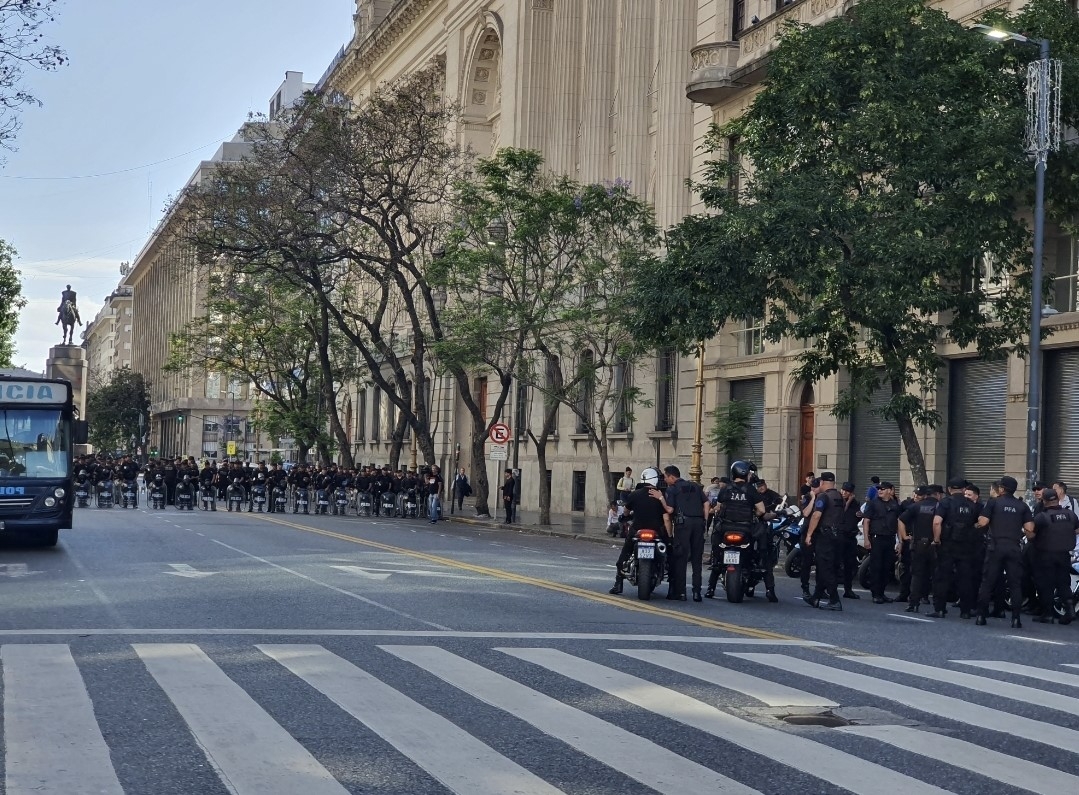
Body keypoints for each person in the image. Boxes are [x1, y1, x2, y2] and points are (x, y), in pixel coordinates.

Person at [706, 460, 773, 602]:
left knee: (717, 557)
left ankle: (710, 588)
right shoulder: (751, 490)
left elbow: (718, 507)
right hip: (746, 529)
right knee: (762, 552)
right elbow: (761, 510)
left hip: (726, 528)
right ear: (746, 474)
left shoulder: (726, 489)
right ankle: (770, 589)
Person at [975, 475, 1034, 629]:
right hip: (1014, 547)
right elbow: (1030, 529)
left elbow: (983, 522)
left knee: (988, 582)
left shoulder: (994, 503)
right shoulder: (1022, 506)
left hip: (995, 547)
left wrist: (977, 524)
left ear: (1001, 489)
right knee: (1015, 584)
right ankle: (1016, 619)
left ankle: (981, 616)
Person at [609, 468, 671, 595]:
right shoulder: (661, 496)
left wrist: (626, 516)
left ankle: (618, 583)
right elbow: (666, 518)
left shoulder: (634, 494)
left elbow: (626, 511)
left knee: (625, 554)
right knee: (669, 554)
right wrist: (670, 536)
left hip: (637, 529)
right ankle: (673, 585)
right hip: (657, 531)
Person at [1028, 488, 1079, 624]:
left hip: (1045, 555)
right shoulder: (1070, 514)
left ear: (1044, 501)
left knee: (1046, 584)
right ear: (1057, 498)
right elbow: (1077, 529)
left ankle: (1048, 614)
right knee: (1063, 583)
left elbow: (1031, 534)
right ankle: (1069, 610)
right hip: (1064, 555)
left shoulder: (1042, 517)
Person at [930, 477, 979, 619]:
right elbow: (979, 524)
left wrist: (937, 539)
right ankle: (965, 611)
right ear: (964, 489)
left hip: (947, 544)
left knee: (942, 577)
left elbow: (937, 522)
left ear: (949, 489)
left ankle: (940, 609)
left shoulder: (945, 503)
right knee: (965, 578)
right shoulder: (971, 504)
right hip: (966, 545)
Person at [660, 465, 710, 602]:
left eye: (665, 477)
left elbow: (670, 510)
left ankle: (681, 593)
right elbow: (706, 504)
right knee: (696, 559)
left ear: (672, 477)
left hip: (683, 525)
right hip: (699, 523)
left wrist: (661, 499)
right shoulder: (694, 486)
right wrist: (704, 520)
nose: (665, 480)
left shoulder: (672, 489)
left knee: (680, 559)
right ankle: (697, 593)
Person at [803, 472, 845, 611]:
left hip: (825, 536)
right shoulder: (839, 496)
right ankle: (816, 596)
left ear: (822, 483)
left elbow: (816, 515)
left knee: (825, 567)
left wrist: (809, 535)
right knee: (825, 566)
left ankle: (834, 599)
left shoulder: (823, 496)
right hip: (838, 536)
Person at [898, 485, 941, 614]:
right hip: (935, 545)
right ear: (937, 494)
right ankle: (938, 607)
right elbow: (938, 523)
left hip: (918, 544)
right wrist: (937, 539)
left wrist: (905, 536)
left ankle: (913, 604)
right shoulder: (941, 506)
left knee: (917, 575)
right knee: (937, 576)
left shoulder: (916, 506)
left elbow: (900, 520)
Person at [861, 481, 900, 603]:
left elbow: (898, 523)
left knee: (886, 567)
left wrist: (900, 541)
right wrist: (867, 539)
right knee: (876, 567)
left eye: (883, 489)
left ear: (890, 490)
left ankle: (882, 593)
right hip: (877, 538)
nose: (880, 491)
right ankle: (875, 594)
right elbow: (866, 521)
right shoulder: (873, 504)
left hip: (890, 538)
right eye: (879, 489)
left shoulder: (895, 505)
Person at [838, 481, 861, 599]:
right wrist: (849, 501)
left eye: (847, 491)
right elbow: (841, 514)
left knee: (850, 564)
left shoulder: (855, 503)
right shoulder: (838, 501)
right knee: (834, 563)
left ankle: (848, 590)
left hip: (851, 536)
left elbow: (857, 516)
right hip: (839, 536)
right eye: (843, 490)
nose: (843, 493)